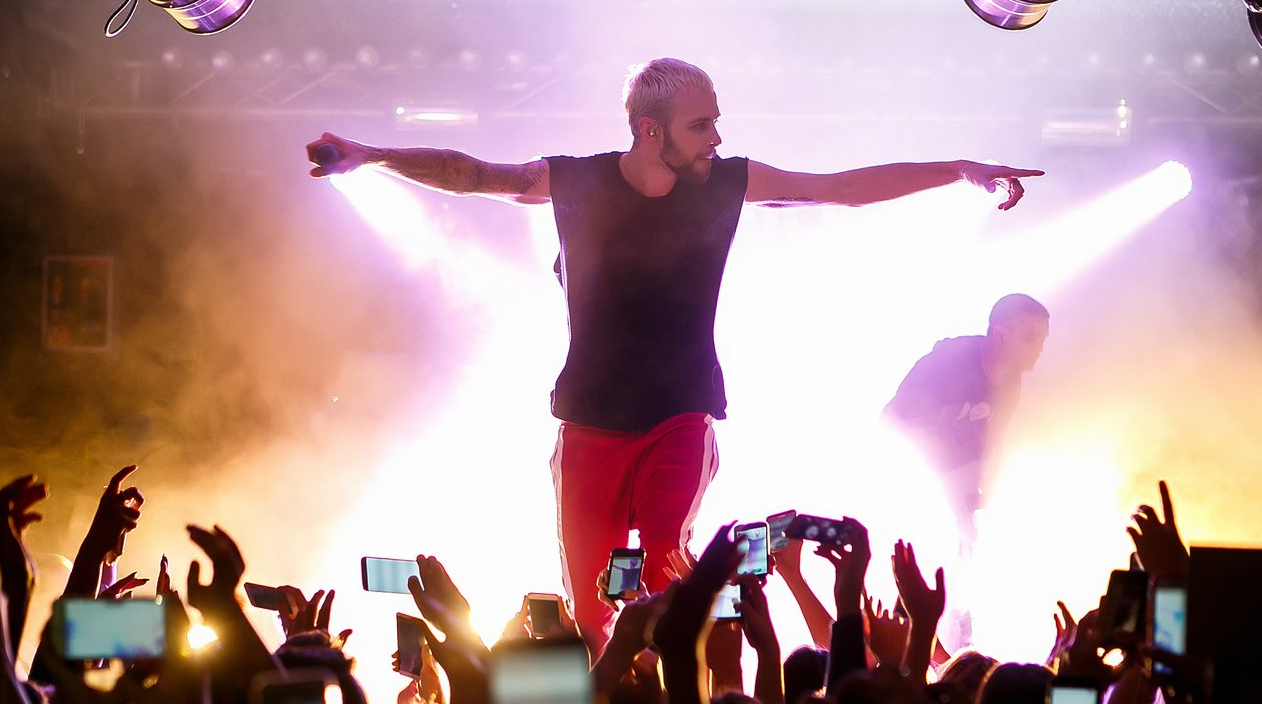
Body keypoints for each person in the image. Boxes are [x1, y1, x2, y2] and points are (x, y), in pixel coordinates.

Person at [305, 57, 1043, 653]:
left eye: (716, 120)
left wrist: (958, 169)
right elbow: (473, 174)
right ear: (649, 129)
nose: (716, 136)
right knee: (591, 604)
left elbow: (837, 190)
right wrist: (373, 157)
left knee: (665, 558)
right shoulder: (577, 180)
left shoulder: (726, 183)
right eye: (702, 124)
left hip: (682, 413)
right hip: (589, 421)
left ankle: (684, 675)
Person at [883, 293, 1051, 540]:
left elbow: (995, 441)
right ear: (1000, 334)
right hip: (900, 476)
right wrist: (952, 493)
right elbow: (899, 432)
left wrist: (988, 487)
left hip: (950, 485)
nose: (1039, 350)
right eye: (1030, 338)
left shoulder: (1011, 383)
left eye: (1043, 341)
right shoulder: (947, 363)